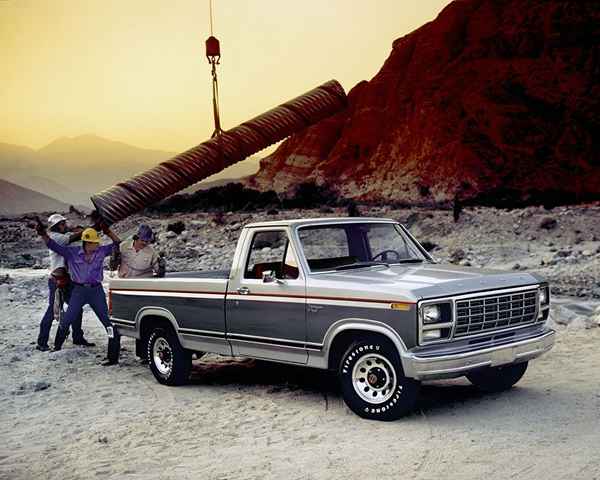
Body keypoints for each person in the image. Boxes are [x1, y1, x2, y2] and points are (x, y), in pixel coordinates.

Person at [37, 223, 121, 365]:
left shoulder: (100, 251)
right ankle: (57, 347)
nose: (96, 245)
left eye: (96, 243)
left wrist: (108, 231)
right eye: (94, 243)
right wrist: (43, 234)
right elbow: (53, 245)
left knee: (108, 322)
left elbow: (118, 244)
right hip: (79, 291)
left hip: (96, 291)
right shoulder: (72, 252)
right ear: (86, 243)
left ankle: (112, 357)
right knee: (67, 319)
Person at [36, 213, 94, 351]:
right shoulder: (56, 237)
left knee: (76, 307)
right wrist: (90, 230)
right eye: (62, 224)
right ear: (56, 227)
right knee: (52, 310)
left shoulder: (61, 236)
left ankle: (78, 337)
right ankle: (41, 342)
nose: (64, 226)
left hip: (68, 279)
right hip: (57, 280)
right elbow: (75, 236)